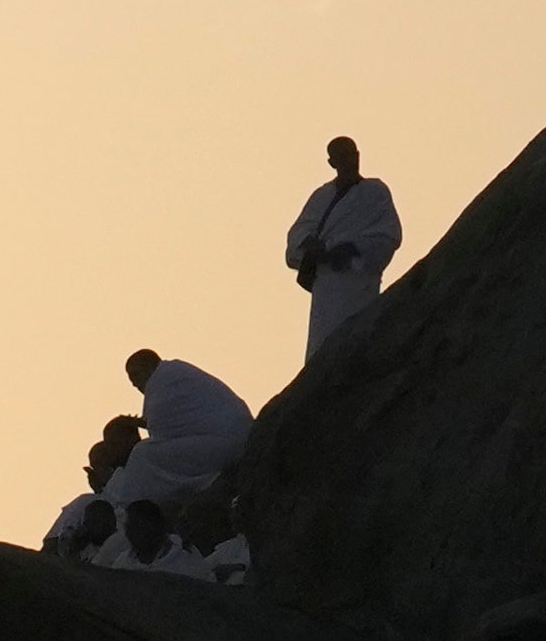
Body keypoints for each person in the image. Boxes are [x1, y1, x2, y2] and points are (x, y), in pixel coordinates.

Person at [286, 137, 403, 354]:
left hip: (355, 279)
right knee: (322, 345)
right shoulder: (322, 196)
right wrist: (312, 246)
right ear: (332, 162)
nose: (351, 160)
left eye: (353, 154)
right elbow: (297, 234)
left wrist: (351, 248)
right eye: (343, 156)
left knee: (355, 341)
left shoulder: (374, 192)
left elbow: (388, 234)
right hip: (325, 285)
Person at [110, 347, 253, 516]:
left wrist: (134, 423)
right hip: (231, 438)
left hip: (226, 444)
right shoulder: (175, 374)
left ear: (148, 367)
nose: (133, 383)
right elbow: (175, 425)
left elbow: (160, 430)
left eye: (134, 375)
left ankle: (127, 512)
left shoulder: (164, 380)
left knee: (142, 455)